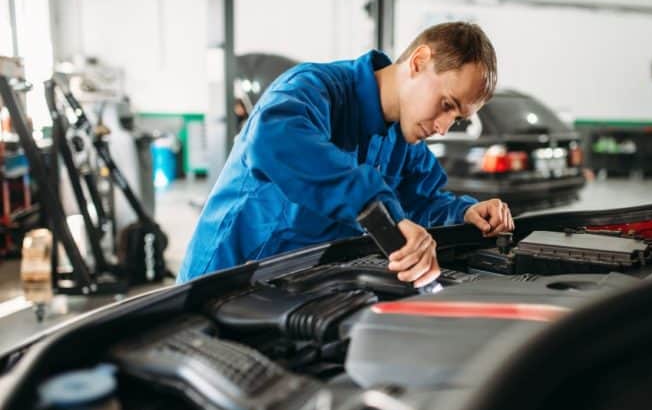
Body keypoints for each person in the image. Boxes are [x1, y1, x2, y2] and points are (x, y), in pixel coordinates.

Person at [178, 21, 514, 286]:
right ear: (419, 61)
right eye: (446, 105)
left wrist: (466, 213)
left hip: (304, 285)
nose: (443, 126)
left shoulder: (404, 140)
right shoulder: (313, 89)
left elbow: (421, 202)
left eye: (456, 119)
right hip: (225, 280)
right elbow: (276, 141)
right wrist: (376, 206)